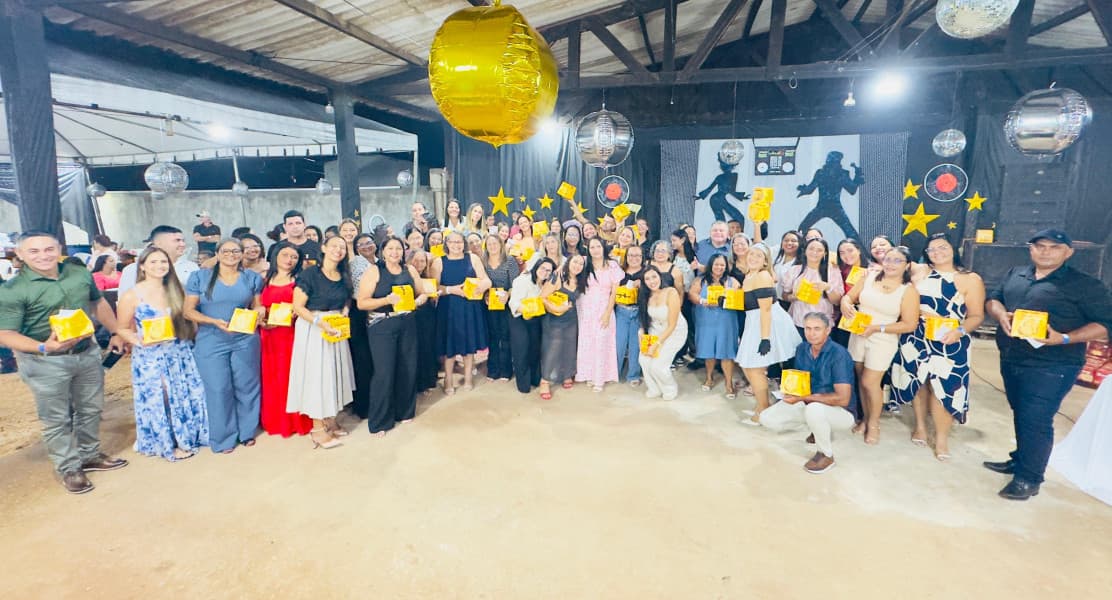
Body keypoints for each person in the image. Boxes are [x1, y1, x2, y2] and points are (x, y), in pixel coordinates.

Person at [983, 229, 1112, 500]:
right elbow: (994, 298)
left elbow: (1105, 324)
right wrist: (1000, 314)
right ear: (1030, 248)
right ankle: (1021, 459)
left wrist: (1065, 338)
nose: (1046, 252)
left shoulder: (1085, 284)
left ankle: (1029, 478)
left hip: (1053, 365)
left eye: (1054, 247)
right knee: (1021, 411)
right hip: (1013, 356)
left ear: (1069, 252)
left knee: (1036, 419)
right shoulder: (1016, 274)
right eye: (1040, 246)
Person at [0, 231, 128, 494]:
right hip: (43, 361)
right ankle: (69, 468)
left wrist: (116, 331)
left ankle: (90, 455)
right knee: (56, 418)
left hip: (86, 352)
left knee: (91, 408)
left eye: (49, 249)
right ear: (20, 254)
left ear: (59, 249)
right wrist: (43, 346)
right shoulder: (12, 291)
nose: (43, 255)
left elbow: (98, 303)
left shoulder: (78, 274)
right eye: (34, 251)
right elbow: (5, 333)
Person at [889, 234, 985, 460]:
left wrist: (959, 332)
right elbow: (892, 265)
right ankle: (921, 426)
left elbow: (976, 316)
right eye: (931, 249)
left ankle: (942, 438)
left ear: (954, 249)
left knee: (944, 389)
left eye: (942, 247)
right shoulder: (920, 272)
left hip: (950, 340)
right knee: (918, 383)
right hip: (916, 336)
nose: (937, 253)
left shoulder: (970, 279)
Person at [115, 247, 208, 461]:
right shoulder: (132, 295)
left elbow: (190, 320)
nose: (159, 266)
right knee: (162, 396)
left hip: (179, 350)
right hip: (151, 355)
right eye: (153, 262)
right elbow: (122, 328)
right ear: (142, 266)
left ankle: (188, 435)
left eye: (163, 262)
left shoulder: (177, 290)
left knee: (184, 392)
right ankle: (167, 442)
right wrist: (139, 341)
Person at [184, 238, 264, 454]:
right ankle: (223, 437)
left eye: (236, 251)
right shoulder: (199, 277)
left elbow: (257, 305)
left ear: (242, 254)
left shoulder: (252, 278)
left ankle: (247, 431)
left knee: (247, 385)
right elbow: (188, 311)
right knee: (218, 388)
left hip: (245, 338)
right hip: (211, 339)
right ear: (217, 254)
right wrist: (213, 322)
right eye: (226, 251)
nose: (231, 255)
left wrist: (260, 311)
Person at [840, 245, 920, 445]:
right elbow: (849, 296)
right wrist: (845, 303)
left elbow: (910, 324)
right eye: (888, 259)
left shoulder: (908, 291)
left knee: (870, 382)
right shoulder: (869, 277)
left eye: (897, 260)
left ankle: (874, 423)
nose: (891, 264)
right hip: (858, 333)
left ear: (907, 265)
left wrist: (877, 328)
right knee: (860, 379)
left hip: (883, 338)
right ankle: (865, 419)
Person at [759, 312, 857, 473]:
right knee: (766, 418)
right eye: (808, 328)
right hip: (810, 402)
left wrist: (804, 398)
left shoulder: (839, 354)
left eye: (817, 329)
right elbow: (801, 381)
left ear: (828, 330)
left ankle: (826, 455)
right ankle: (817, 427)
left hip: (841, 412)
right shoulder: (802, 349)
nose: (811, 333)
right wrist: (790, 393)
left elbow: (843, 399)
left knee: (814, 409)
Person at [286, 235, 355, 448]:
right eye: (334, 246)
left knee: (334, 375)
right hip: (314, 329)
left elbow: (347, 299)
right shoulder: (310, 274)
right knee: (317, 378)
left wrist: (345, 311)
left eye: (342, 247)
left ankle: (330, 420)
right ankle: (317, 429)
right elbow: (298, 306)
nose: (338, 250)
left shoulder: (343, 274)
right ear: (323, 248)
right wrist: (319, 322)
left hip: (335, 327)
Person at [357, 236, 430, 434]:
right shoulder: (374, 271)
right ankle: (380, 421)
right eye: (390, 248)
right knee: (384, 372)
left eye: (398, 248)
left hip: (407, 322)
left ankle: (404, 412)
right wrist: (386, 300)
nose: (395, 252)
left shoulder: (409, 269)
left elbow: (422, 292)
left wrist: (419, 300)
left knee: (407, 367)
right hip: (382, 324)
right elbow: (362, 303)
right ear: (383, 251)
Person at [737, 244, 802, 424]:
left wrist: (765, 339)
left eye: (759, 256)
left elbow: (765, 310)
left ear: (765, 261)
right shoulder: (749, 275)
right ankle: (762, 405)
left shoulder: (763, 276)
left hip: (766, 324)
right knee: (748, 367)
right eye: (751, 254)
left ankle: (763, 410)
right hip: (754, 322)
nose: (753, 258)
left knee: (755, 369)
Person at [257, 242, 313, 438]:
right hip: (268, 335)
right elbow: (256, 304)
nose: (289, 260)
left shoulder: (300, 280)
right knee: (272, 377)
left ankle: (298, 420)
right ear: (275, 256)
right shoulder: (264, 279)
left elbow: (306, 305)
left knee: (292, 376)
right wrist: (261, 318)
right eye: (285, 255)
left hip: (291, 334)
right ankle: (276, 420)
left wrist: (296, 313)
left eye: (294, 257)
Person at [431, 231, 491, 395]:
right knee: (449, 345)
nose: (456, 245)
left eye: (459, 242)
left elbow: (486, 280)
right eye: (452, 242)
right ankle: (448, 378)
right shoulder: (439, 262)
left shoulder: (473, 258)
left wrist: (481, 287)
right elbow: (434, 287)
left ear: (464, 243)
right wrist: (452, 290)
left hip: (470, 307)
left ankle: (468, 377)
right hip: (448, 308)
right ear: (446, 244)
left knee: (469, 343)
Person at [689, 253, 740, 397]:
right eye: (716, 264)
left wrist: (732, 294)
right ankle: (709, 378)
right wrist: (702, 301)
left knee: (727, 352)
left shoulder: (732, 281)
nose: (719, 267)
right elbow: (692, 294)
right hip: (706, 320)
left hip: (726, 321)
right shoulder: (701, 280)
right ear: (711, 265)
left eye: (722, 265)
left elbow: (740, 296)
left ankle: (729, 383)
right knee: (708, 350)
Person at [576, 237, 621, 392]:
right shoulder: (584, 263)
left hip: (603, 307)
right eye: (592, 247)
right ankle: (589, 374)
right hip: (585, 308)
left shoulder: (612, 265)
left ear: (603, 248)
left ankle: (600, 378)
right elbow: (567, 267)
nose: (595, 250)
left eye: (598, 246)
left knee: (602, 342)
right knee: (587, 342)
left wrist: (608, 312)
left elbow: (614, 292)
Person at [638, 266, 688, 400]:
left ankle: (670, 388)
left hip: (675, 331)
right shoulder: (645, 296)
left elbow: (672, 325)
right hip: (655, 329)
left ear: (660, 276)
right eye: (647, 279)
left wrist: (657, 344)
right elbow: (645, 320)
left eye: (654, 277)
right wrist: (641, 334)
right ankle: (654, 388)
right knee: (643, 360)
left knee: (658, 365)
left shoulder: (671, 292)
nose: (652, 281)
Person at [509, 258, 555, 395]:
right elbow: (514, 303)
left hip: (536, 319)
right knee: (521, 351)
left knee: (535, 350)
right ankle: (523, 384)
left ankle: (535, 379)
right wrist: (528, 310)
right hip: (520, 318)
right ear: (536, 267)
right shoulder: (522, 280)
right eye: (542, 268)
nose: (545, 272)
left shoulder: (546, 284)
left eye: (549, 270)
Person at [540, 254, 582, 399]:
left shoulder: (580, 280)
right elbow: (542, 297)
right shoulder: (557, 277)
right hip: (555, 319)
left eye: (581, 264)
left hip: (571, 318)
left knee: (570, 346)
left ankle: (567, 374)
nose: (577, 266)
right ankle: (545, 381)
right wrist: (556, 309)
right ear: (568, 262)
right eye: (575, 262)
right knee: (553, 348)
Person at [784, 239, 845, 337]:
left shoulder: (833, 271)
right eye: (811, 249)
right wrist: (793, 297)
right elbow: (785, 295)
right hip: (799, 322)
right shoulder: (794, 270)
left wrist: (827, 288)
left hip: (823, 324)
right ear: (805, 251)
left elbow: (837, 301)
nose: (814, 253)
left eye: (819, 250)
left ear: (825, 253)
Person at [119, 225, 199, 293]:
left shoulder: (191, 267)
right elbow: (124, 300)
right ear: (158, 244)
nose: (182, 244)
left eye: (183, 241)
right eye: (177, 240)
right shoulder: (133, 269)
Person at [483, 234, 517, 382]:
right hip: (488, 305)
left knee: (505, 336)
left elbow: (515, 284)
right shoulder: (483, 261)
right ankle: (493, 370)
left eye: (495, 243)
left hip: (505, 304)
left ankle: (506, 370)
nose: (492, 246)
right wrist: (485, 295)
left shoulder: (510, 260)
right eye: (489, 244)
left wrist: (508, 295)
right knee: (492, 336)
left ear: (501, 245)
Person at [614, 244, 645, 387]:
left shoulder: (647, 272)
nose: (634, 258)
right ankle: (614, 372)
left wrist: (642, 284)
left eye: (638, 255)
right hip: (621, 311)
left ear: (642, 257)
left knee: (635, 345)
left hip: (638, 312)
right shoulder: (619, 272)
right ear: (626, 257)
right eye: (631, 255)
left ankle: (633, 374)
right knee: (618, 344)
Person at [833, 239, 869, 346]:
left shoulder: (872, 270)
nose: (846, 255)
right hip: (845, 314)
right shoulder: (839, 271)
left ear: (859, 250)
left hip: (866, 315)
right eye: (842, 253)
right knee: (844, 345)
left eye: (850, 250)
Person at [773, 230, 801, 304]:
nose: (789, 243)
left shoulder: (801, 264)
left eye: (793, 241)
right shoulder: (776, 256)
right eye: (786, 240)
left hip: (787, 302)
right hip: (771, 299)